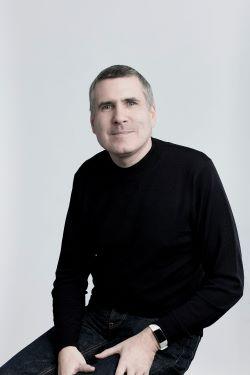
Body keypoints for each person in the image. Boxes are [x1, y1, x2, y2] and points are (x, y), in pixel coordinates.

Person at [0, 65, 244, 375]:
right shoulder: (88, 176)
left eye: (131, 102)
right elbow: (70, 275)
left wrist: (153, 338)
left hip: (165, 328)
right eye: (106, 106)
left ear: (152, 113)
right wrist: (67, 345)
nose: (119, 116)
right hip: (97, 320)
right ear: (93, 122)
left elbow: (228, 282)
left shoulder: (195, 171)